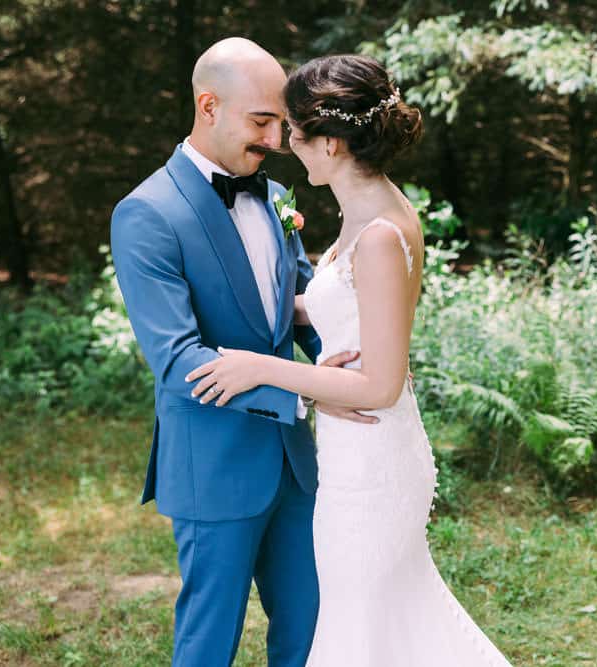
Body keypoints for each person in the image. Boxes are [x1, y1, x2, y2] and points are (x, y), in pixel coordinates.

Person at [186, 53, 513, 666]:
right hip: (349, 452)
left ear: (331, 143)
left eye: (295, 132)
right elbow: (347, 307)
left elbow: (380, 385)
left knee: (361, 627)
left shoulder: (383, 234)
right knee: (384, 627)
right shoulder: (367, 210)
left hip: (372, 463)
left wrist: (259, 368)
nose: (285, 144)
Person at [111, 38, 373, 667]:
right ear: (208, 106)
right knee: (210, 640)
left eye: (282, 123)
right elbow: (178, 362)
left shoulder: (276, 196)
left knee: (313, 625)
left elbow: (298, 306)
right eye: (262, 122)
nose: (278, 140)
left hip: (294, 464)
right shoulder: (147, 213)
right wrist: (307, 389)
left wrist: (354, 364)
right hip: (214, 465)